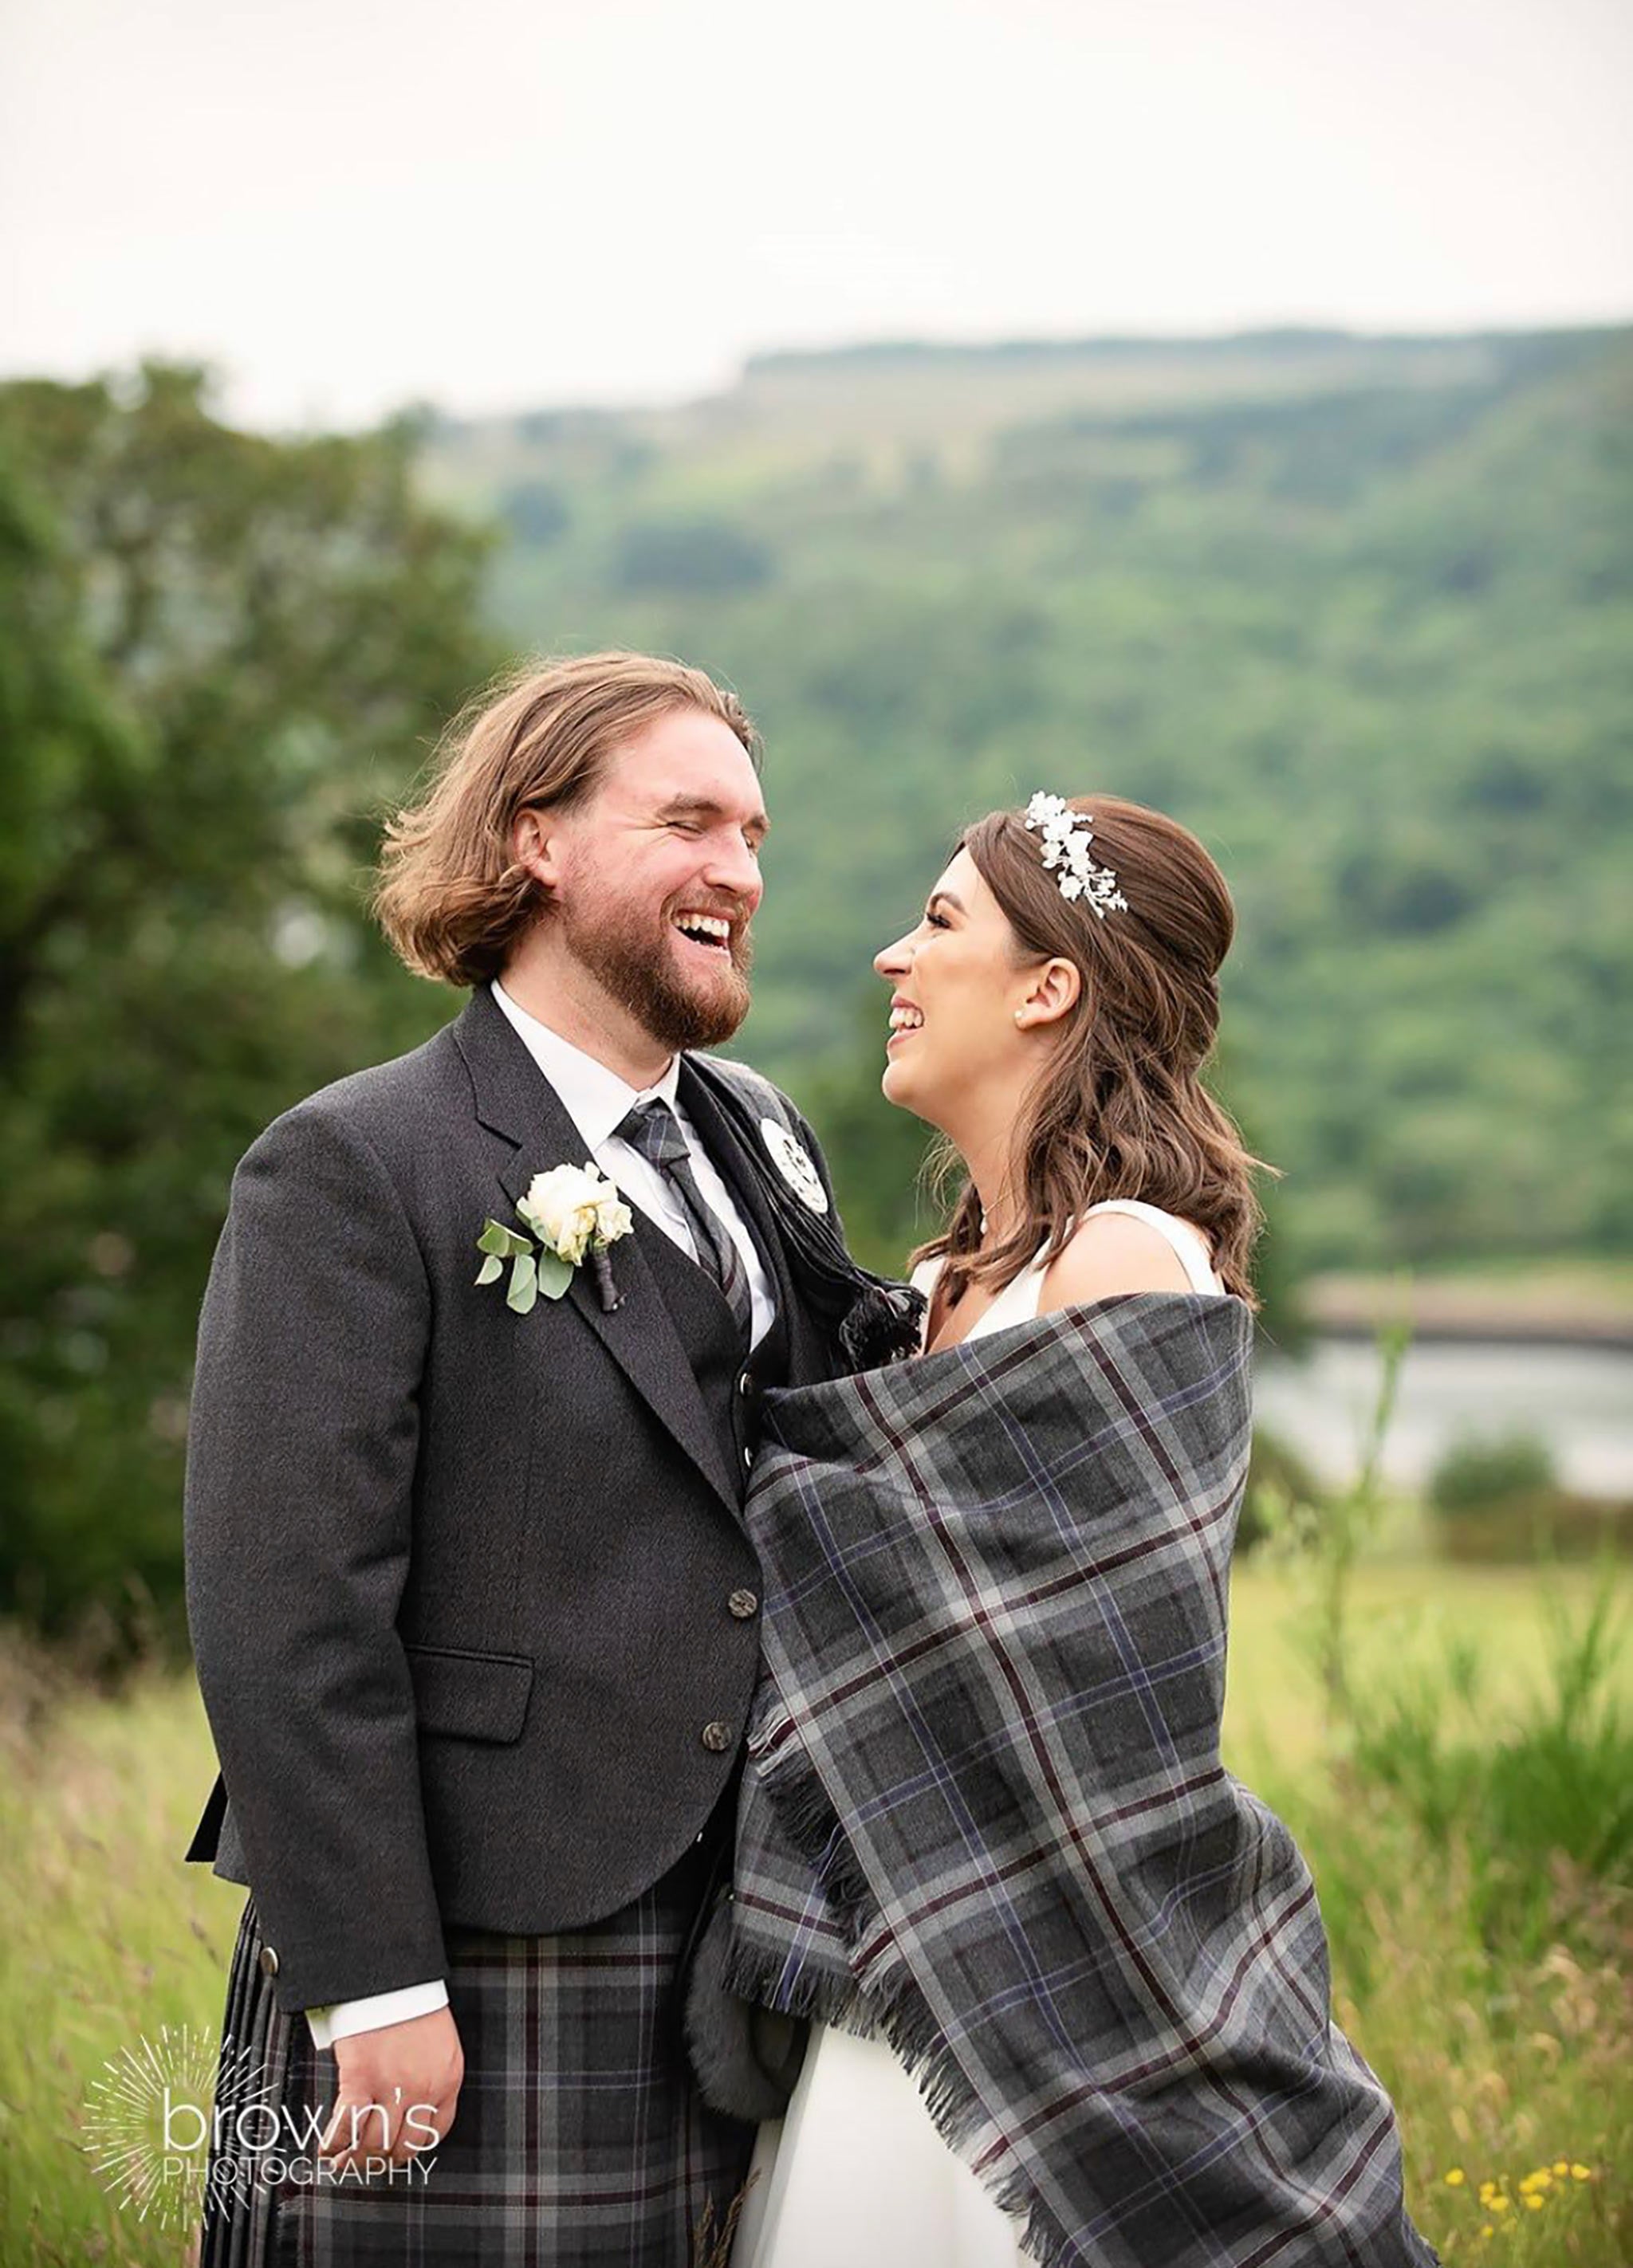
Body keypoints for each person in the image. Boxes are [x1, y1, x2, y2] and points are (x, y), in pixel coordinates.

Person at [182, 651, 915, 2266]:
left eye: (754, 831)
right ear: (536, 840)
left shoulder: (759, 1132)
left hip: (742, 1937)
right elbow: (285, 1605)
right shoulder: (357, 1164)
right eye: (689, 822)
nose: (741, 870)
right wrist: (373, 1980)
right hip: (461, 1941)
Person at [720, 796, 1438, 2267]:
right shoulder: (932, 1288)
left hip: (1043, 1962)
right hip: (902, 1962)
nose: (887, 959)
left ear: (1049, 986)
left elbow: (1102, 1699)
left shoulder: (1124, 1264)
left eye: (936, 924)